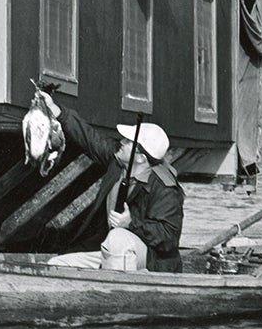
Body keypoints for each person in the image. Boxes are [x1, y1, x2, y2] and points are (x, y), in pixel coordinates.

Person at [36, 92, 184, 273]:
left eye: (128, 142)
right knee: (56, 265)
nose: (121, 142)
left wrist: (131, 223)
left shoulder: (164, 187)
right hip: (113, 253)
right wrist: (56, 110)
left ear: (140, 158)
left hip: (151, 261)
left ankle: (123, 295)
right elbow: (89, 138)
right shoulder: (119, 162)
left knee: (117, 238)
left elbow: (169, 238)